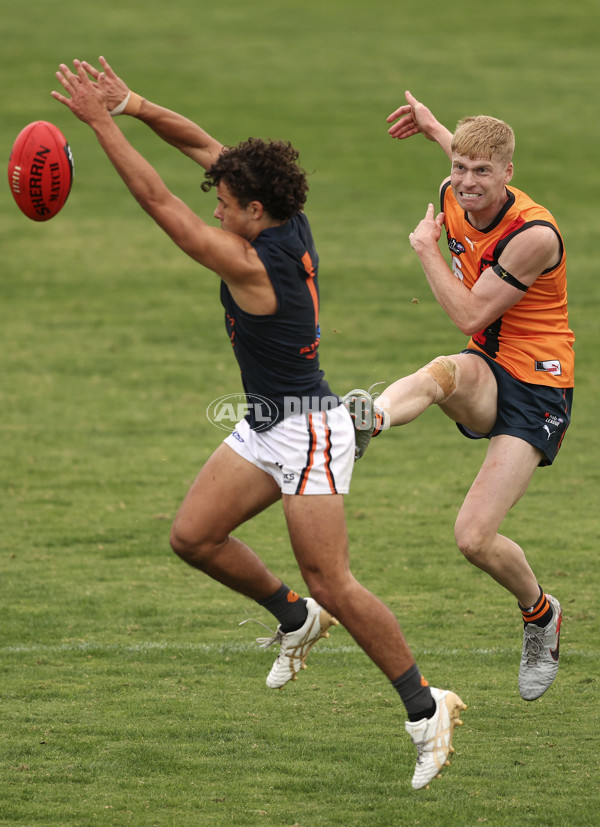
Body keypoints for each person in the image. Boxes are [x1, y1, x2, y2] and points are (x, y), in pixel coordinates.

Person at [52, 60, 466, 789]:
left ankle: (426, 706)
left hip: (308, 436)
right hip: (269, 424)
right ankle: (292, 617)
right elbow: (211, 152)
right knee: (194, 536)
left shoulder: (252, 268)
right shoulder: (279, 212)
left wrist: (101, 124)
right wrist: (136, 102)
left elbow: (160, 203)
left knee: (333, 578)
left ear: (252, 214)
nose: (214, 206)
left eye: (225, 203)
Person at [345, 90, 573, 702]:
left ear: (509, 175)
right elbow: (464, 151)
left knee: (473, 538)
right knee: (445, 371)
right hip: (489, 365)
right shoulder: (457, 187)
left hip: (540, 388)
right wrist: (432, 127)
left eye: (482, 171)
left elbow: (468, 310)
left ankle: (540, 614)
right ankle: (366, 422)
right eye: (459, 169)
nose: (467, 181)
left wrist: (425, 250)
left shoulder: (533, 236)